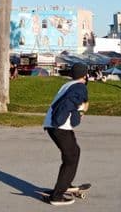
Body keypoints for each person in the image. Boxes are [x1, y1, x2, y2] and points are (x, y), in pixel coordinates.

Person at [43, 63, 90, 206]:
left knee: (73, 152)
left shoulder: (67, 85)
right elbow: (69, 104)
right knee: (72, 157)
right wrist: (79, 114)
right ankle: (57, 196)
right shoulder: (80, 87)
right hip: (59, 126)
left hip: (54, 124)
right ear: (85, 75)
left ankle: (66, 184)